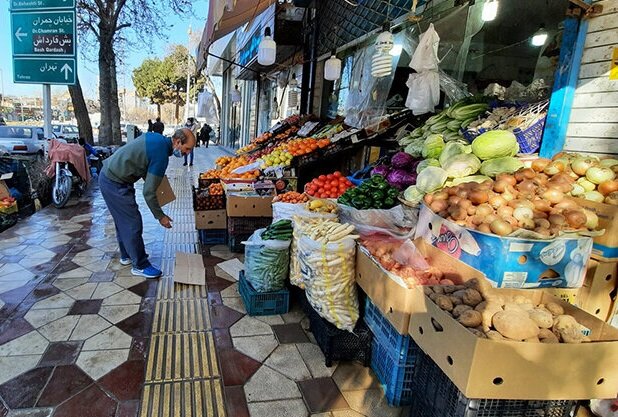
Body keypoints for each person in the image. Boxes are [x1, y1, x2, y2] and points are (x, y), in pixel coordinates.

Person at [99, 128, 196, 278]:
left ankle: (127, 255)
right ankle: (140, 265)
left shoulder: (157, 138)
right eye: (187, 148)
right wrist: (160, 216)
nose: (188, 153)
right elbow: (148, 193)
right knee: (132, 222)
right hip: (114, 181)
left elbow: (143, 161)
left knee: (123, 220)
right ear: (177, 142)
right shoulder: (161, 156)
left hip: (112, 175)